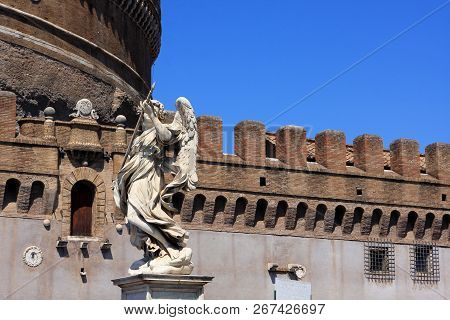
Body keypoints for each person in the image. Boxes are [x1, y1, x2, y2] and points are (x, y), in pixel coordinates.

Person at [113, 97, 198, 275]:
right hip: (135, 175)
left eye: (146, 116)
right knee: (136, 217)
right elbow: (133, 158)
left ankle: (170, 248)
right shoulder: (140, 137)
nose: (143, 118)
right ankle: (155, 251)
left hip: (149, 176)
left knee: (136, 215)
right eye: (143, 115)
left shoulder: (159, 131)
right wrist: (121, 180)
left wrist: (153, 115)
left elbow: (166, 137)